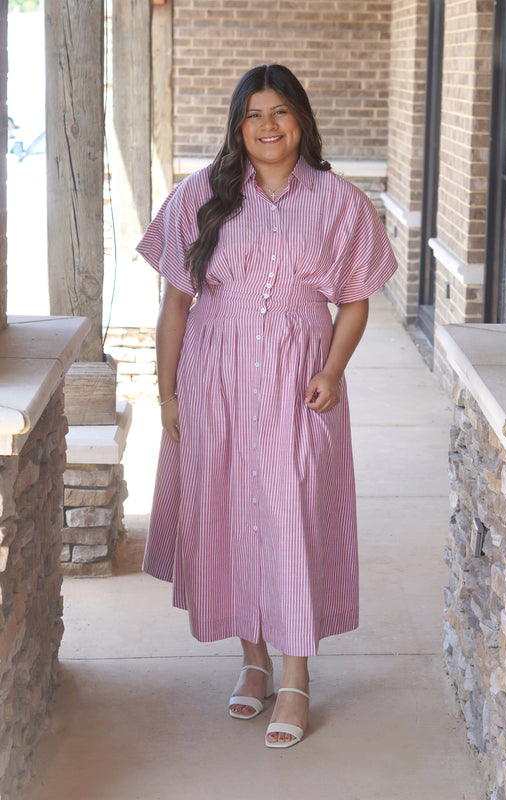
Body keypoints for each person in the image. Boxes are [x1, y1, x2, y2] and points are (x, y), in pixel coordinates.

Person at [137, 64, 397, 749]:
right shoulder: (200, 195)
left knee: (291, 513)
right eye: (253, 115)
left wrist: (334, 368)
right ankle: (251, 665)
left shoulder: (339, 201)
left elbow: (356, 297)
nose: (267, 127)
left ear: (301, 120)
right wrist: (166, 393)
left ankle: (295, 676)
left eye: (279, 112)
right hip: (212, 375)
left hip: (299, 380)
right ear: (237, 126)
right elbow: (174, 304)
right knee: (228, 511)